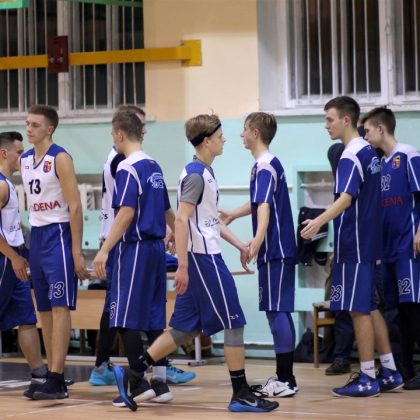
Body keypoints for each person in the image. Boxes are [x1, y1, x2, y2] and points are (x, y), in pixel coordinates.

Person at [110, 113, 279, 413]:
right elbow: (181, 220)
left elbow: (210, 221)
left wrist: (240, 244)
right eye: (220, 136)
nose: (224, 140)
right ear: (207, 141)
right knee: (234, 323)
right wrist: (184, 265)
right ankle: (240, 393)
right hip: (203, 259)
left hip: (205, 255)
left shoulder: (204, 172)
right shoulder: (195, 175)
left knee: (182, 330)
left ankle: (134, 373)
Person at [301, 96, 403, 397]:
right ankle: (390, 370)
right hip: (368, 241)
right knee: (369, 307)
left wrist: (318, 222)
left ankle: (368, 377)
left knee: (358, 309)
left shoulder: (350, 155)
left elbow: (345, 199)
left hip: (355, 243)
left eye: (329, 119)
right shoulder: (369, 152)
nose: (326, 125)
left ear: (346, 120)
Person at [88, 105, 196, 389]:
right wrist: (177, 236)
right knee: (154, 320)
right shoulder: (153, 165)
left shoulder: (126, 166)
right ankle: (159, 384)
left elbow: (125, 212)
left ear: (120, 134)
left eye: (113, 133)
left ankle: (137, 384)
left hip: (133, 248)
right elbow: (167, 209)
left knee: (125, 318)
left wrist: (104, 250)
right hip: (155, 251)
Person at [219, 112, 298, 397]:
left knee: (277, 312)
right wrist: (233, 214)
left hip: (277, 249)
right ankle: (285, 377)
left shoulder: (264, 165)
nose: (241, 135)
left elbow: (264, 206)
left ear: (255, 132)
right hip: (275, 249)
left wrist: (259, 237)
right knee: (276, 311)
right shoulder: (264, 165)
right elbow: (257, 202)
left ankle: (286, 380)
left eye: (244, 129)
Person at [20, 105, 89, 399]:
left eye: (35, 125)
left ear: (49, 129)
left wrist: (76, 251)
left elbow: (75, 206)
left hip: (59, 234)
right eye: (27, 123)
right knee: (44, 310)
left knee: (60, 306)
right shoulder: (24, 159)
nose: (29, 129)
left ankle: (58, 376)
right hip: (36, 236)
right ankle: (51, 373)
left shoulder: (60, 158)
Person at [362, 106, 420, 390]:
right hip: (386, 252)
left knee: (413, 309)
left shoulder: (408, 155)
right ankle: (403, 371)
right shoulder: (380, 164)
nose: (365, 136)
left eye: (367, 131)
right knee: (393, 312)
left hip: (408, 247)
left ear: (381, 128)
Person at [0, 131, 49, 396]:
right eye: (19, 153)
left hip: (14, 259)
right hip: (5, 260)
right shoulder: (1, 185)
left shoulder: (10, 184)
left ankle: (40, 376)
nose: (23, 157)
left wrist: (23, 254)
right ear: (4, 153)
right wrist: (13, 256)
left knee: (26, 318)